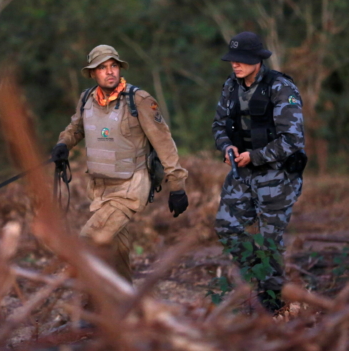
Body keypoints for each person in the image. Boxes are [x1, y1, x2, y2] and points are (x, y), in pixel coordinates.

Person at [51, 44, 189, 284]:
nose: (110, 71)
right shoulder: (86, 99)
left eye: (113, 65)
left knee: (89, 241)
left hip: (130, 187)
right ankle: (125, 304)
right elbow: (76, 127)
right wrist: (64, 144)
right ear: (93, 73)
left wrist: (177, 185)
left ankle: (93, 306)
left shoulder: (139, 100)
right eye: (102, 67)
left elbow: (164, 142)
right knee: (117, 252)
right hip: (101, 189)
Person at [211, 32, 307, 312]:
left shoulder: (281, 87)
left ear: (257, 61)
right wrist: (226, 146)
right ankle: (261, 279)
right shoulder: (231, 86)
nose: (235, 65)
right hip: (242, 171)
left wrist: (254, 156)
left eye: (242, 60)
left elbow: (293, 140)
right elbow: (219, 124)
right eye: (232, 60)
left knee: (269, 240)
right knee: (226, 226)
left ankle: (274, 303)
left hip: (277, 175)